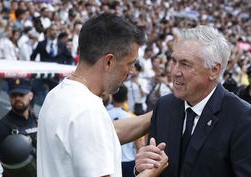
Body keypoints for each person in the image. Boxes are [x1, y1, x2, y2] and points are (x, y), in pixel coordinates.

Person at [37, 13, 167, 177]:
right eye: (130, 63)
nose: (131, 71)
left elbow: (105, 133)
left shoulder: (57, 95)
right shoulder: (87, 111)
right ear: (109, 61)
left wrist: (160, 113)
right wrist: (151, 172)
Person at [135, 25, 251, 177]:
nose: (174, 71)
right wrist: (141, 167)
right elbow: (152, 166)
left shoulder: (244, 119)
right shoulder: (164, 106)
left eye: (185, 64)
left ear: (214, 70)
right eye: (173, 61)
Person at [0, 78, 37, 177]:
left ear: (30, 96)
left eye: (21, 95)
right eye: (14, 95)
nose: (17, 98)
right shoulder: (0, 127)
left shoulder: (38, 121)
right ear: (9, 97)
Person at [108, 85, 144, 177]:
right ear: (126, 98)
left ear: (112, 97)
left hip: (111, 162)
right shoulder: (131, 117)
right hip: (129, 161)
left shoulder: (105, 115)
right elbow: (139, 143)